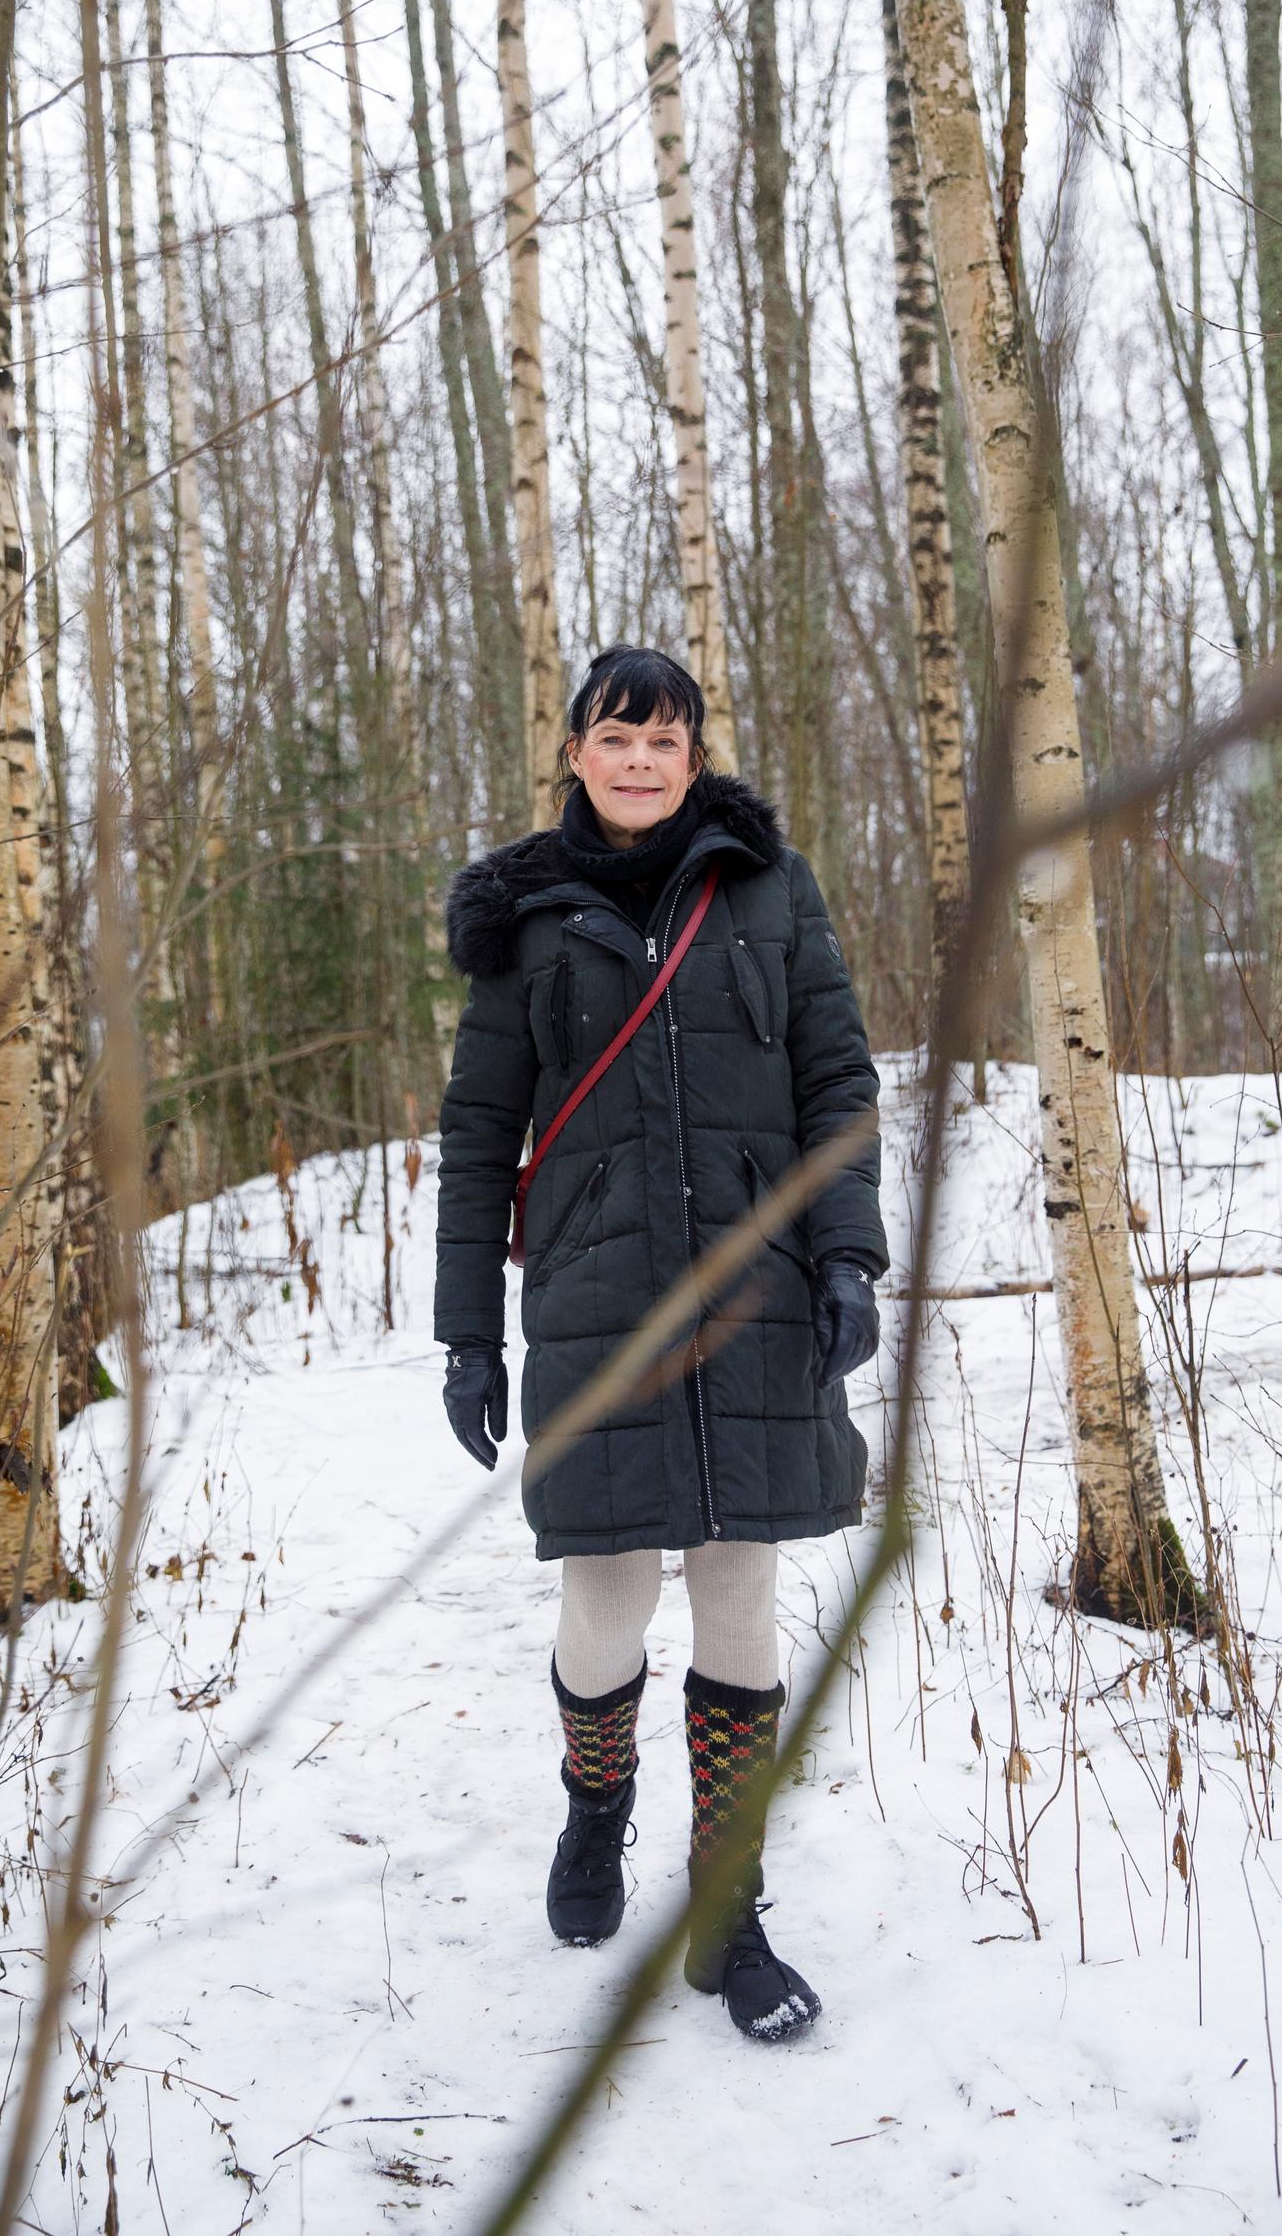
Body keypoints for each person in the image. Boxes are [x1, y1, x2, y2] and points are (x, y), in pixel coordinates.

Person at [433, 645, 887, 2043]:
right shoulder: (526, 918)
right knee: (606, 1607)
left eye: (667, 737)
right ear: (574, 751)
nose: (642, 759)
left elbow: (834, 1078)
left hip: (754, 1294)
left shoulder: (767, 886)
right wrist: (467, 1334)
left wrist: (850, 1255)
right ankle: (596, 1796)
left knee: (740, 1598)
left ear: (694, 754)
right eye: (617, 736)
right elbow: (476, 1133)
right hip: (594, 1307)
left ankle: (726, 1909)